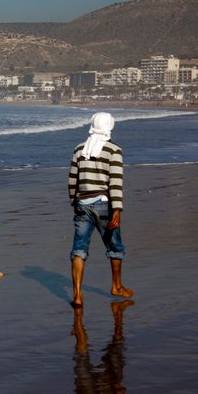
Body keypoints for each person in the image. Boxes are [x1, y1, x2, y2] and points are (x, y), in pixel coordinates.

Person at [68, 112, 134, 307]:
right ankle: (116, 286)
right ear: (109, 127)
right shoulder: (114, 150)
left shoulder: (80, 149)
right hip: (105, 204)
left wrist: (74, 201)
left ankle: (78, 295)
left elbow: (73, 179)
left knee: (79, 249)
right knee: (115, 247)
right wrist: (117, 210)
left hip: (83, 204)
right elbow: (115, 182)